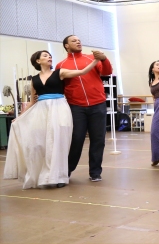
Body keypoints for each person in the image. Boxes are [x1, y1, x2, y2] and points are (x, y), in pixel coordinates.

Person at [4, 50, 100, 189]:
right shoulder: (34, 79)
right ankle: (44, 174)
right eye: (45, 55)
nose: (49, 57)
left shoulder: (59, 72)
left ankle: (59, 176)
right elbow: (31, 101)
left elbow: (81, 72)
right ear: (38, 61)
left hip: (59, 108)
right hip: (41, 110)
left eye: (50, 55)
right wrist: (20, 117)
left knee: (59, 142)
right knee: (40, 143)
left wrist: (96, 60)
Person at [56, 35, 113, 182]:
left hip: (98, 105)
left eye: (79, 40)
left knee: (98, 140)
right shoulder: (61, 65)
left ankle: (95, 172)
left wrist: (104, 59)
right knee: (76, 139)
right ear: (66, 46)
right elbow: (59, 87)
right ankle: (66, 172)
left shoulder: (90, 58)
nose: (78, 42)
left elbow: (107, 72)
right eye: (74, 41)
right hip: (76, 107)